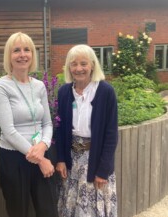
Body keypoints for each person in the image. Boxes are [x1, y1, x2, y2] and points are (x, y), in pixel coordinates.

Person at [0, 32, 58, 217]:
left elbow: (47, 123)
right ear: (9, 56)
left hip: (41, 152)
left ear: (32, 54)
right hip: (14, 159)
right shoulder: (0, 86)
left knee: (48, 211)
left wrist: (43, 146)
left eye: (27, 49)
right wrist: (41, 159)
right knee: (17, 211)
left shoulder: (39, 86)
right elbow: (9, 131)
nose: (22, 55)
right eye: (16, 50)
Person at [56, 44, 118, 217]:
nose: (79, 68)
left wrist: (103, 170)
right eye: (74, 64)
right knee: (71, 208)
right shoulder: (64, 92)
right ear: (69, 67)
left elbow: (111, 135)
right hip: (71, 162)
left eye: (83, 63)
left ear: (92, 65)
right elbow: (59, 130)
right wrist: (60, 159)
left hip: (96, 160)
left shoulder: (106, 92)